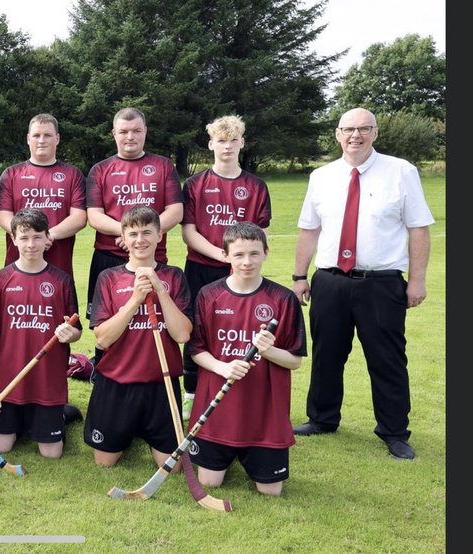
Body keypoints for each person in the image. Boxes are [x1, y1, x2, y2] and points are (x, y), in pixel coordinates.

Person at [291, 107, 434, 461]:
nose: (355, 135)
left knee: (387, 359)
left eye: (364, 128)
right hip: (330, 281)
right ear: (337, 134)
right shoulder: (321, 176)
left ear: (375, 133)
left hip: (381, 284)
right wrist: (299, 276)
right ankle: (322, 418)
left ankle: (394, 432)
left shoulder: (401, 172)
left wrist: (417, 281)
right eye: (348, 129)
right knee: (327, 355)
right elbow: (309, 229)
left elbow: (418, 228)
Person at [189, 222, 305, 496]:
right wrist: (222, 367)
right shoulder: (209, 295)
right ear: (225, 255)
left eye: (254, 253)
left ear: (266, 252)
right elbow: (196, 350)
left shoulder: (283, 299)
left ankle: (252, 454)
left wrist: (268, 351)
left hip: (265, 414)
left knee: (270, 491)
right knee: (209, 483)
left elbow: (295, 361)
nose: (247, 262)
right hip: (218, 409)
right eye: (239, 255)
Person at [84, 207, 192, 468]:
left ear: (160, 235)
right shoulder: (109, 277)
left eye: (147, 232)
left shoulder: (174, 276)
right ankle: (128, 431)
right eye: (133, 234)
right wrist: (135, 299)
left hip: (161, 383)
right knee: (104, 463)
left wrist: (160, 291)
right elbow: (103, 339)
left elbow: (182, 334)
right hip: (117, 382)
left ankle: (142, 430)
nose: (140, 240)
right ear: (123, 238)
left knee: (172, 468)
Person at [179, 114, 271, 417]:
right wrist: (221, 255)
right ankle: (192, 393)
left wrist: (238, 259)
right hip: (201, 267)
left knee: (236, 328)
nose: (227, 146)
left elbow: (261, 233)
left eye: (233, 140)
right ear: (211, 145)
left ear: (242, 143)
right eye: (221, 140)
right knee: (196, 329)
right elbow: (189, 232)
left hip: (241, 270)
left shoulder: (256, 186)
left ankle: (237, 391)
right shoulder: (195, 184)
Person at [84, 108, 181, 369]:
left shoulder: (163, 166)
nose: (130, 137)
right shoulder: (100, 169)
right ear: (113, 134)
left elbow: (175, 211)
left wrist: (140, 237)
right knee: (105, 321)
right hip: (108, 256)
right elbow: (94, 216)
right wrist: (127, 234)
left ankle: (151, 368)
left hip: (152, 257)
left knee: (150, 318)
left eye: (137, 131)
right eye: (124, 131)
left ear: (145, 132)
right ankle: (102, 371)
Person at [0, 208, 82, 458]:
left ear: (47, 238)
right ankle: (27, 421)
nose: (31, 244)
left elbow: (76, 331)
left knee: (51, 454)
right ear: (13, 239)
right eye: (24, 238)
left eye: (37, 237)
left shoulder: (62, 280)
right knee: (2, 447)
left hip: (47, 382)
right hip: (9, 381)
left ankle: (61, 414)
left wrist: (69, 333)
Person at [0, 114, 86, 277]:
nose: (41, 140)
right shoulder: (11, 174)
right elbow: (3, 215)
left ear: (57, 138)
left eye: (48, 135)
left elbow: (79, 217)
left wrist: (47, 236)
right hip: (18, 267)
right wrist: (27, 237)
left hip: (60, 266)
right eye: (36, 135)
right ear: (28, 139)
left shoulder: (73, 174)